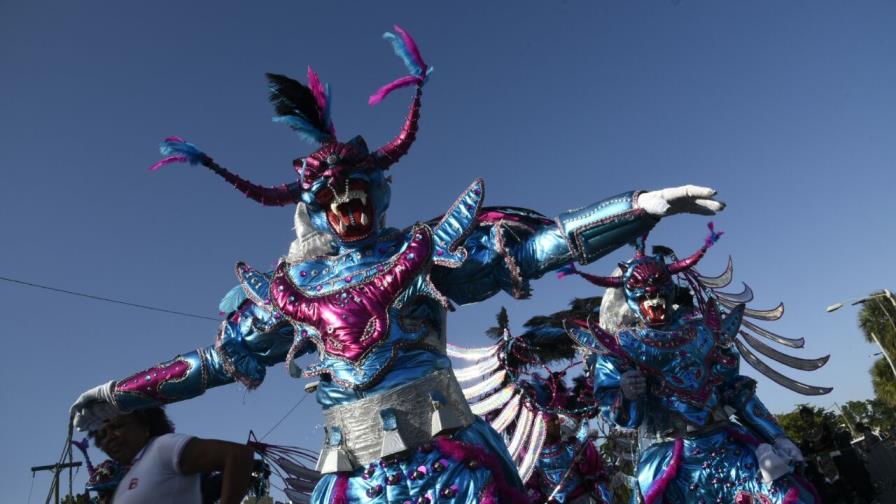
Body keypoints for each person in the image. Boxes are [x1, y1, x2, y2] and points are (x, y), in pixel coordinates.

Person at [71, 26, 724, 503]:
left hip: (453, 458)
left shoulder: (422, 252)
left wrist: (639, 208)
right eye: (333, 196)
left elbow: (536, 249)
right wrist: (116, 394)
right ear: (316, 209)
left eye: (358, 191)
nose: (348, 202)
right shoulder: (287, 288)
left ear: (377, 194)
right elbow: (213, 365)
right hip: (353, 473)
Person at [565, 226, 826, 503]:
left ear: (669, 289)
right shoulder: (622, 348)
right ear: (631, 297)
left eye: (658, 288)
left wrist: (777, 436)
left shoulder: (702, 332)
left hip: (729, 447)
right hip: (675, 463)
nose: (653, 296)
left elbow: (736, 391)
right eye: (643, 291)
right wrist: (627, 393)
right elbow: (620, 415)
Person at [89, 407, 254, 504]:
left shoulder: (162, 447)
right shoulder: (125, 480)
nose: (109, 437)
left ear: (145, 424)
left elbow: (238, 455)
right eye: (102, 434)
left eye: (117, 426)